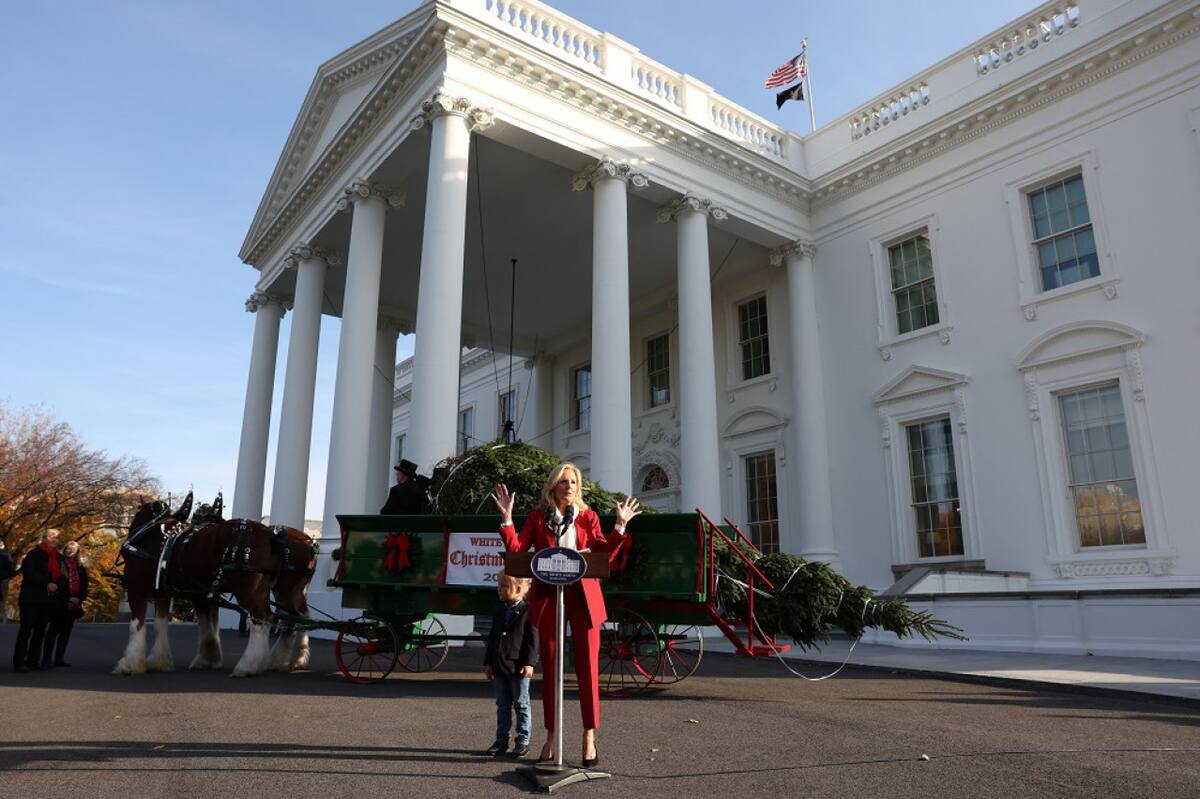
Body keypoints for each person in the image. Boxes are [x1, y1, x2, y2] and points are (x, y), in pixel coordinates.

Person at [491, 464, 641, 767]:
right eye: (563, 482)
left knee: (587, 668)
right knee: (551, 669)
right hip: (549, 598)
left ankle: (589, 736)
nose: (569, 486)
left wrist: (620, 527)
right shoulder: (537, 518)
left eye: (573, 482)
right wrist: (507, 519)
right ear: (553, 486)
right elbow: (519, 552)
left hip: (583, 597)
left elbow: (603, 554)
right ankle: (551, 735)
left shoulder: (589, 517)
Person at [483, 569, 539, 759]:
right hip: (500, 665)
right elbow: (492, 639)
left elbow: (532, 640)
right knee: (502, 704)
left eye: (504, 586)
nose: (499, 589)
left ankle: (522, 741)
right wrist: (488, 663)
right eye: (499, 585)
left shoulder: (528, 612)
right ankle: (501, 741)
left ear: (519, 589)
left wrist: (530, 663)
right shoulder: (499, 612)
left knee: (521, 704)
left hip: (518, 667)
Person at [12, 530, 66, 672]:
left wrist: (56, 585)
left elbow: (63, 576)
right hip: (31, 598)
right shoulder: (34, 554)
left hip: (49, 600)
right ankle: (19, 662)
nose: (54, 539)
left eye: (56, 537)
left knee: (40, 631)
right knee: (26, 630)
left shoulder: (59, 558)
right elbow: (29, 572)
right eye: (51, 536)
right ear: (44, 539)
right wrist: (46, 583)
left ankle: (33, 660)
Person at [42, 539, 88, 668]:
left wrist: (79, 598)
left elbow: (84, 585)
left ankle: (59, 659)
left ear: (77, 551)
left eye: (73, 550)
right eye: (68, 548)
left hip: (74, 604)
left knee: (66, 633)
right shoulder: (59, 563)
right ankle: (46, 660)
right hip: (59, 602)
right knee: (53, 632)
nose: (70, 551)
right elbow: (58, 583)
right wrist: (68, 598)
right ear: (65, 549)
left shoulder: (80, 567)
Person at [0, 540, 14, 624]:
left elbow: (10, 568)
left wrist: (5, 577)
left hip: (2, 580)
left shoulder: (5, 555)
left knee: (2, 599)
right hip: (3, 579)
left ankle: (4, 617)